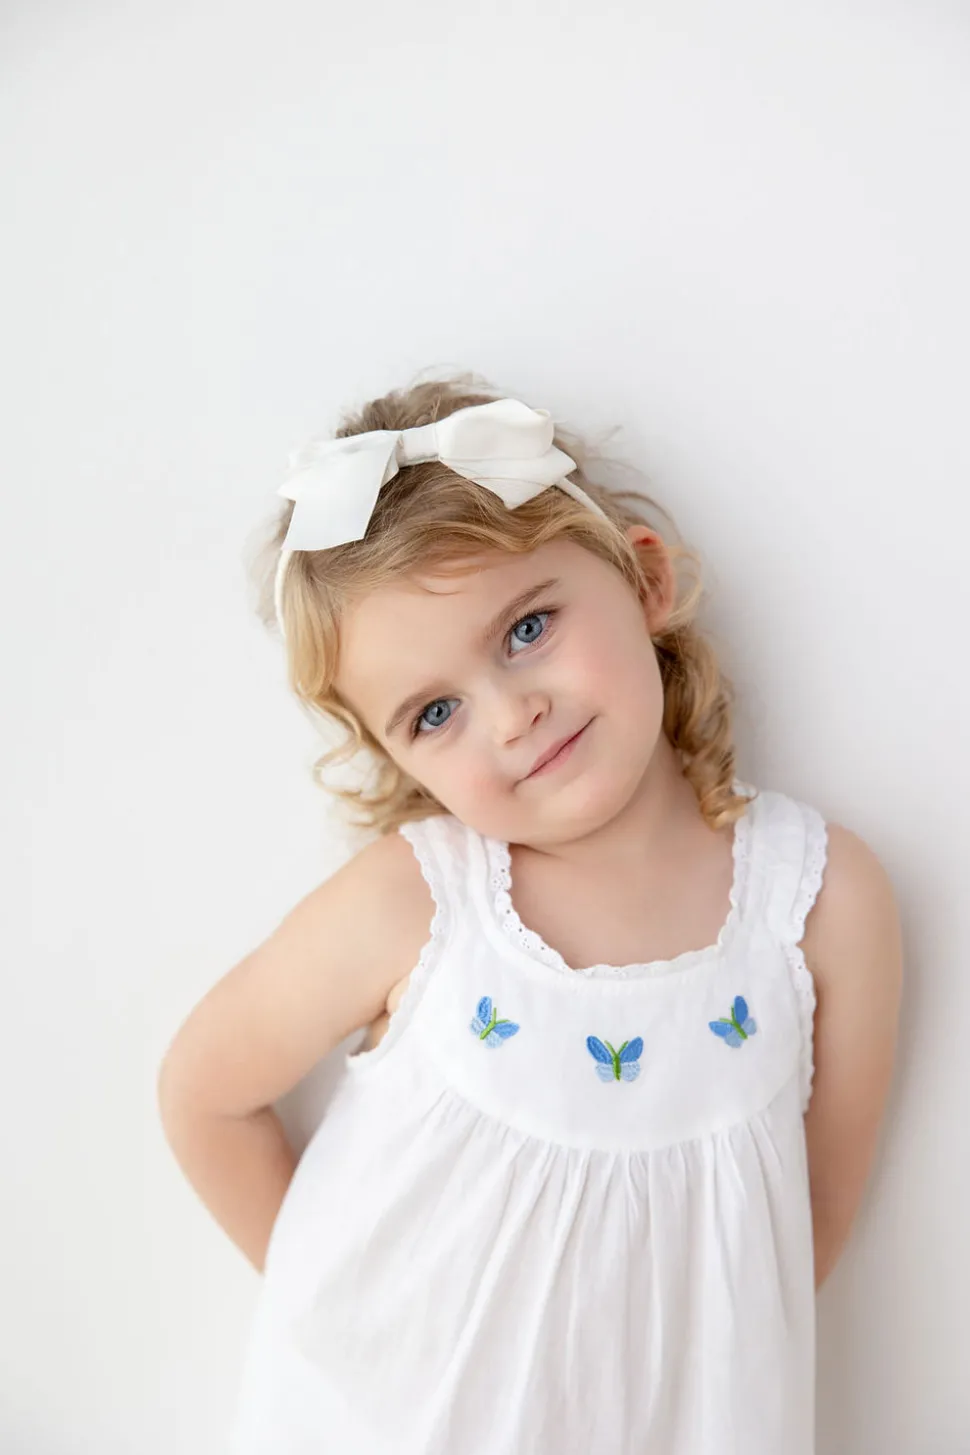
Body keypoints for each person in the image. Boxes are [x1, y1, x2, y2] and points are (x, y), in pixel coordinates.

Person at [158, 372, 903, 1454]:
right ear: (398, 758)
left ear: (644, 579)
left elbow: (800, 1237)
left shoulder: (824, 903)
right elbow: (203, 1093)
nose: (513, 717)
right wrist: (363, 1340)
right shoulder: (417, 904)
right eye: (436, 712)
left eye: (528, 628)